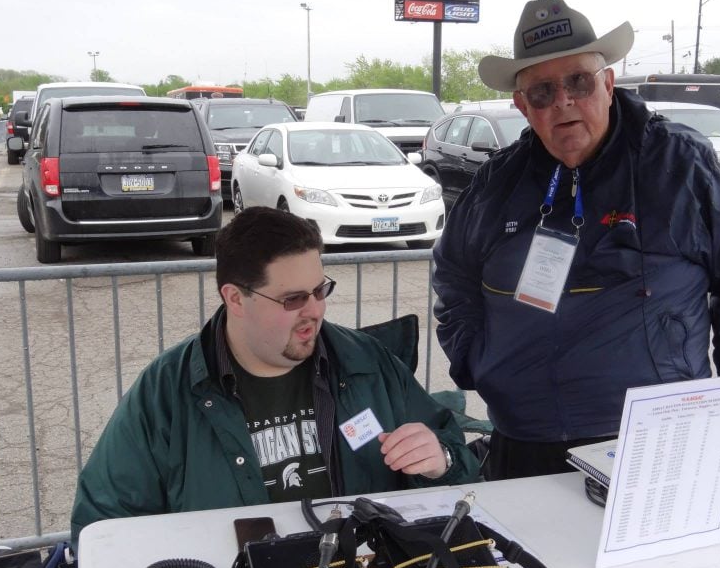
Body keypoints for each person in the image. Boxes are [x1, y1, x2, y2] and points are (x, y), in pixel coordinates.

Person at [432, 0, 720, 481]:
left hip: (654, 439)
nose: (564, 102)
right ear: (521, 105)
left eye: (579, 81)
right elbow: (453, 276)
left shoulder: (678, 166)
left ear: (609, 83)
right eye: (542, 91)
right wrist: (478, 359)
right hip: (524, 438)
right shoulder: (497, 183)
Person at [71, 207, 479, 544]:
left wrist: (439, 460)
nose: (315, 311)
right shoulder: (165, 393)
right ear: (235, 298)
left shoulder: (367, 362)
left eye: (320, 291)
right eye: (293, 299)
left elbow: (453, 454)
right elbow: (102, 526)